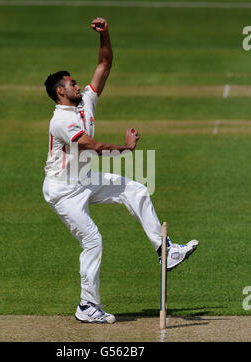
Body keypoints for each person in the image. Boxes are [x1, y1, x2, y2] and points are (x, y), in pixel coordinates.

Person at [43, 17, 198, 324]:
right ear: (61, 92)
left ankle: (165, 251)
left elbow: (104, 64)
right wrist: (127, 149)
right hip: (63, 191)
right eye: (71, 83)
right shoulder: (61, 120)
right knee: (93, 241)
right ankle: (87, 307)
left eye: (75, 82)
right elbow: (92, 146)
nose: (77, 85)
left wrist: (106, 35)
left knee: (136, 189)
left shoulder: (85, 102)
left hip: (84, 179)